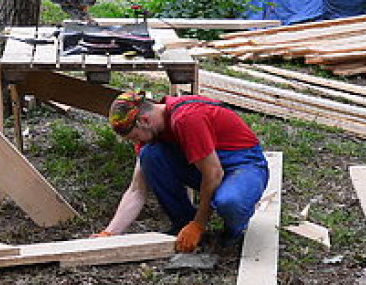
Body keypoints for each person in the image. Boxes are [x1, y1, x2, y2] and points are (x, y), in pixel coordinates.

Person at [94, 90, 269, 253]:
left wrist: (199, 224)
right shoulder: (152, 134)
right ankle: (184, 224)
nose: (135, 142)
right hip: (208, 165)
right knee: (150, 155)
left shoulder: (186, 118)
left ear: (145, 120)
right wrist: (110, 233)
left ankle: (231, 235)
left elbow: (214, 174)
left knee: (230, 202)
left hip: (243, 165)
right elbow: (136, 190)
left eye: (134, 137)